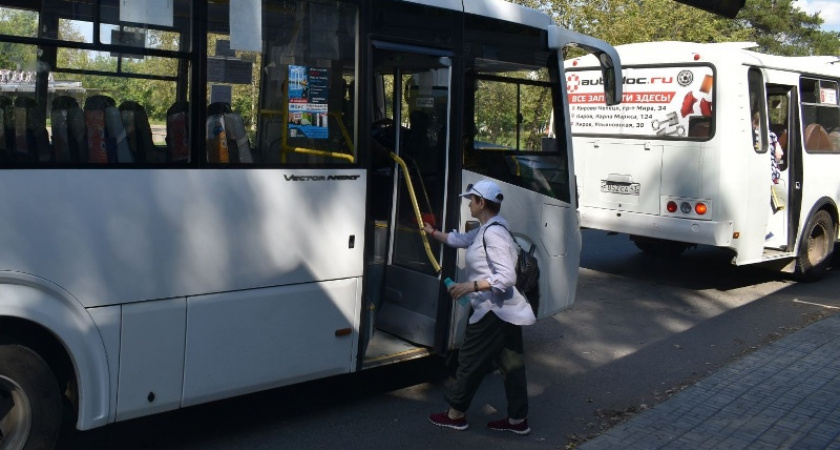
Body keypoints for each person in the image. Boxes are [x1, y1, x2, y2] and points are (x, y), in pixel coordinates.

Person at [422, 180, 536, 435]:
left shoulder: (493, 233)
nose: (469, 204)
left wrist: (469, 286)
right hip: (507, 310)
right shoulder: (490, 228)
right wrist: (432, 232)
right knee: (512, 366)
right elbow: (461, 239)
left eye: (471, 200)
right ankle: (518, 420)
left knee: (469, 361)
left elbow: (507, 277)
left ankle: (455, 414)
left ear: (481, 203)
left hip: (491, 310)